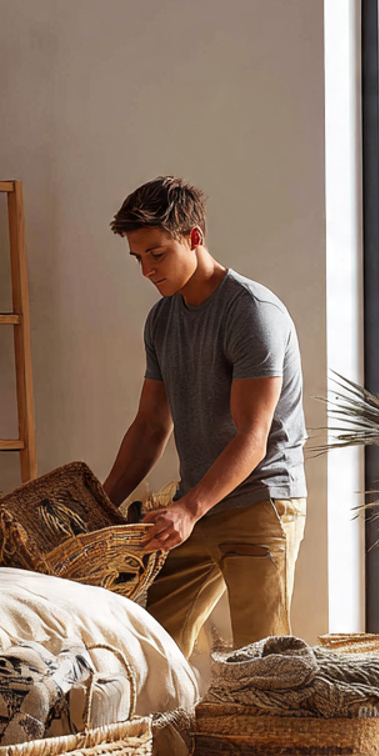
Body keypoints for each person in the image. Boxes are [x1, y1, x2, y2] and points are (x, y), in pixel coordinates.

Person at [103, 176, 307, 659]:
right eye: (138, 258)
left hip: (260, 502)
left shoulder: (252, 313)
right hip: (197, 501)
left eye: (157, 253)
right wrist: (102, 505)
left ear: (194, 238)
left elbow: (253, 437)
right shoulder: (162, 319)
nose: (147, 270)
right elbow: (151, 426)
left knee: (265, 666)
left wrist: (189, 509)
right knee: (149, 648)